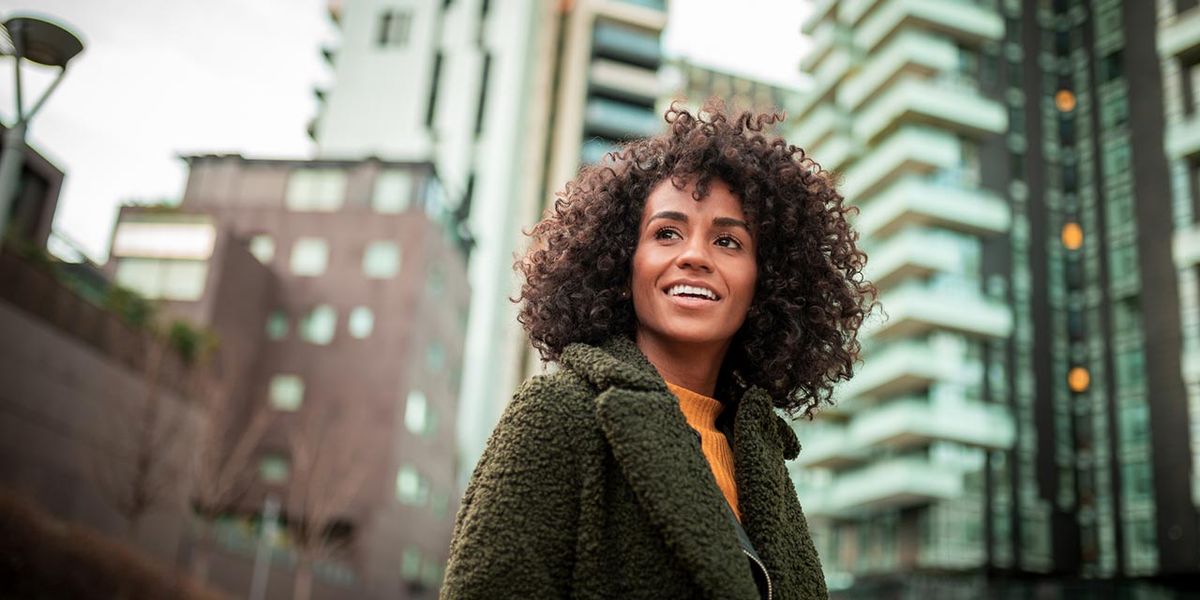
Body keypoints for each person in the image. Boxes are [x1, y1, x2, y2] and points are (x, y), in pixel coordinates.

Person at [441, 101, 875, 600]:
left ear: (768, 281)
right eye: (666, 233)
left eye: (729, 242)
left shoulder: (761, 461)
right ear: (624, 265)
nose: (693, 256)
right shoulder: (558, 416)